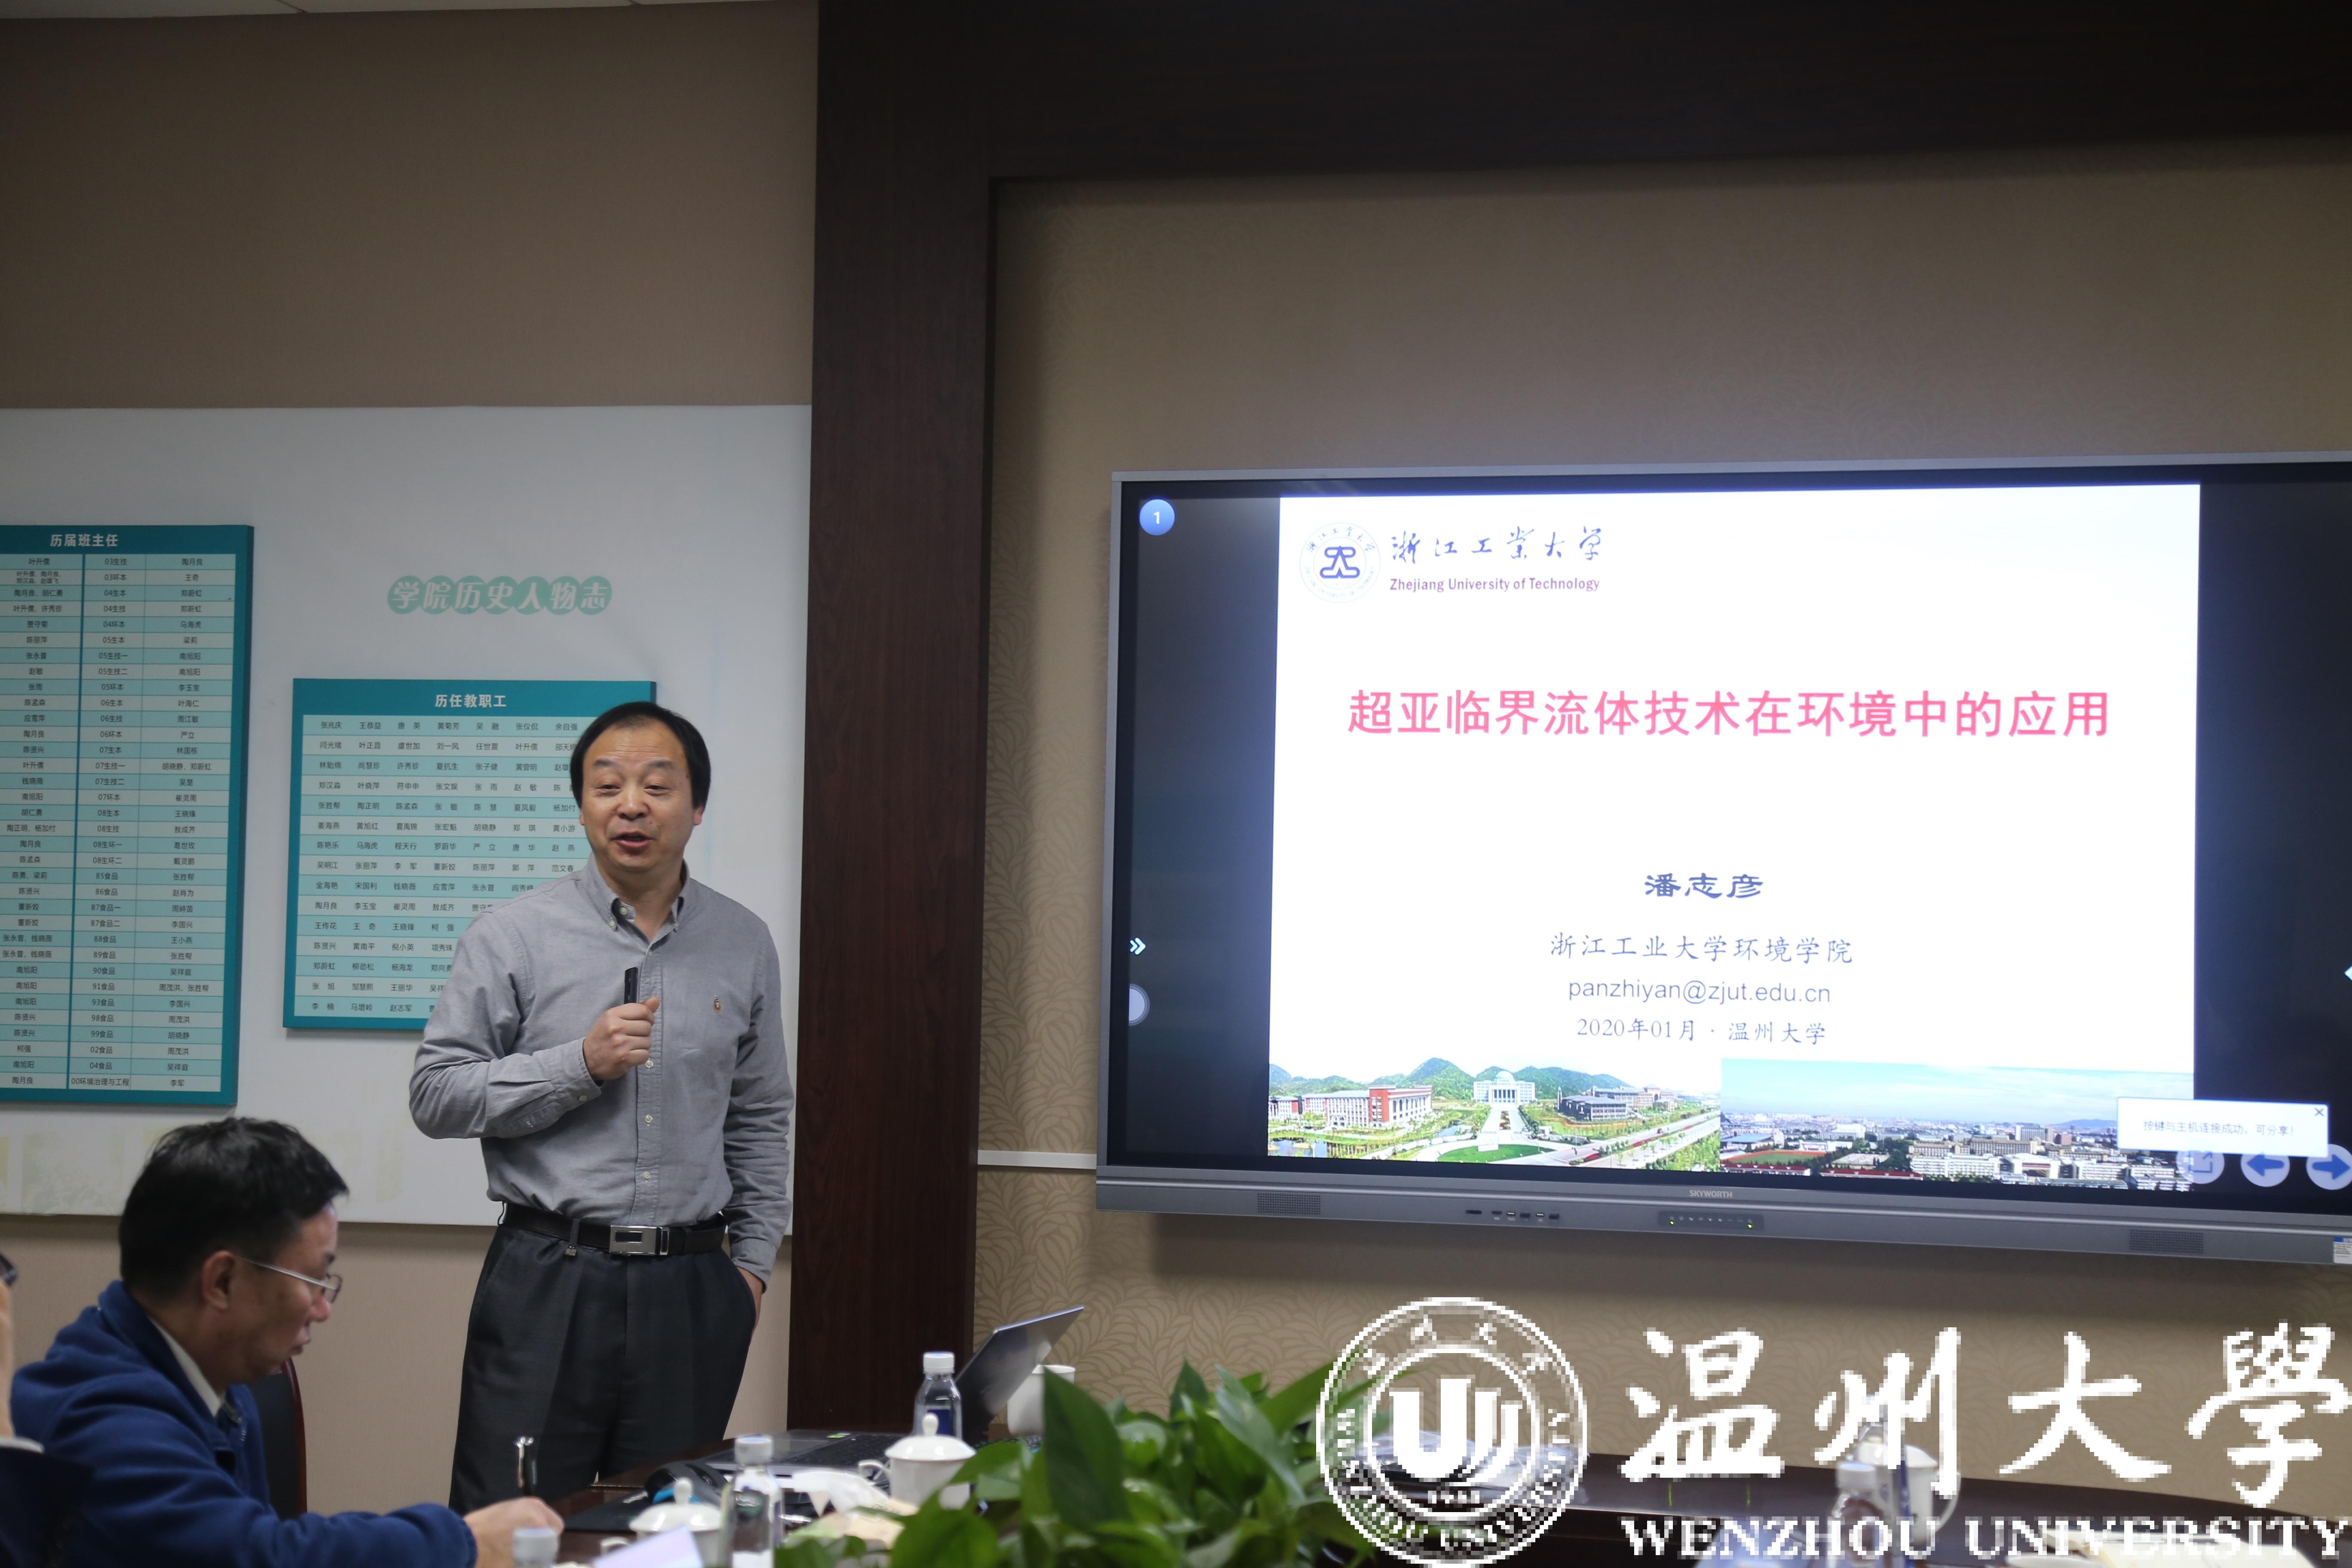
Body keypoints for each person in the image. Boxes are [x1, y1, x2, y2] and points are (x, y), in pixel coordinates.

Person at [410, 700, 791, 1510]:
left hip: (693, 1286)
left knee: (666, 1532)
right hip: (548, 1279)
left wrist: (751, 1269)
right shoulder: (512, 934)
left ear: (696, 806)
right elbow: (437, 1095)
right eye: (607, 785)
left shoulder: (744, 940)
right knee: (514, 1522)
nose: (631, 806)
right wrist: (577, 1064)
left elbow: (760, 1115)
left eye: (657, 785)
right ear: (582, 805)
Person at [7, 1118, 560, 1568]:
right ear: (222, 1281)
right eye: (313, 1280)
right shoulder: (102, 1422)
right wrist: (463, 1542)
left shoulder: (210, 1371)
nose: (323, 1308)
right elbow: (260, 1556)